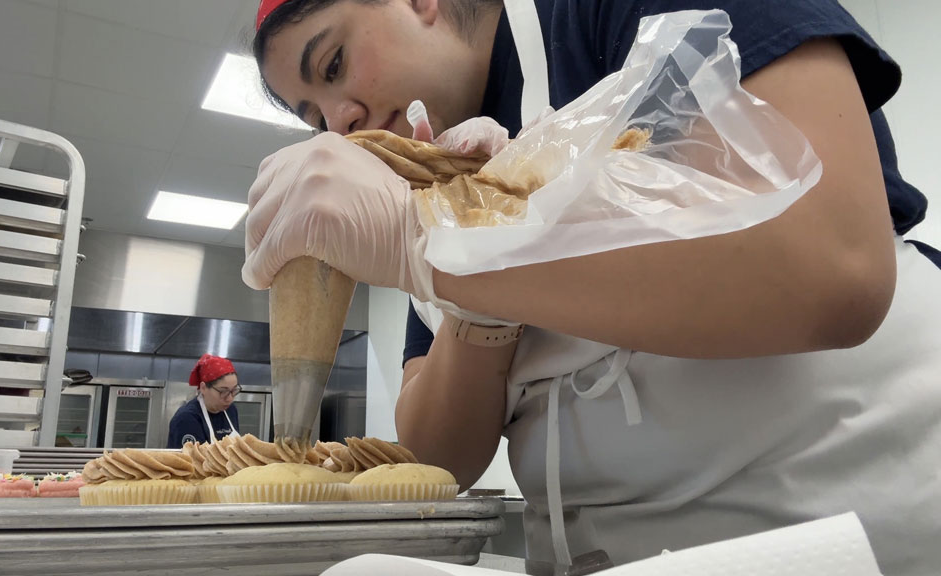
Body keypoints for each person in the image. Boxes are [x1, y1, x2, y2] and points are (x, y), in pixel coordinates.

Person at [243, 0, 941, 574]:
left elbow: (831, 267)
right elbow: (438, 459)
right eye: (313, 115)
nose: (339, 121)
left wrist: (439, 251)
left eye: (332, 64)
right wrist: (475, 296)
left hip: (845, 519)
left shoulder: (604, 13)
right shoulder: (433, 172)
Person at [167, 354, 241, 448]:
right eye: (223, 391)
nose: (230, 398)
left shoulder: (231, 410)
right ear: (203, 388)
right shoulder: (186, 418)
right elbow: (190, 461)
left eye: (234, 390)